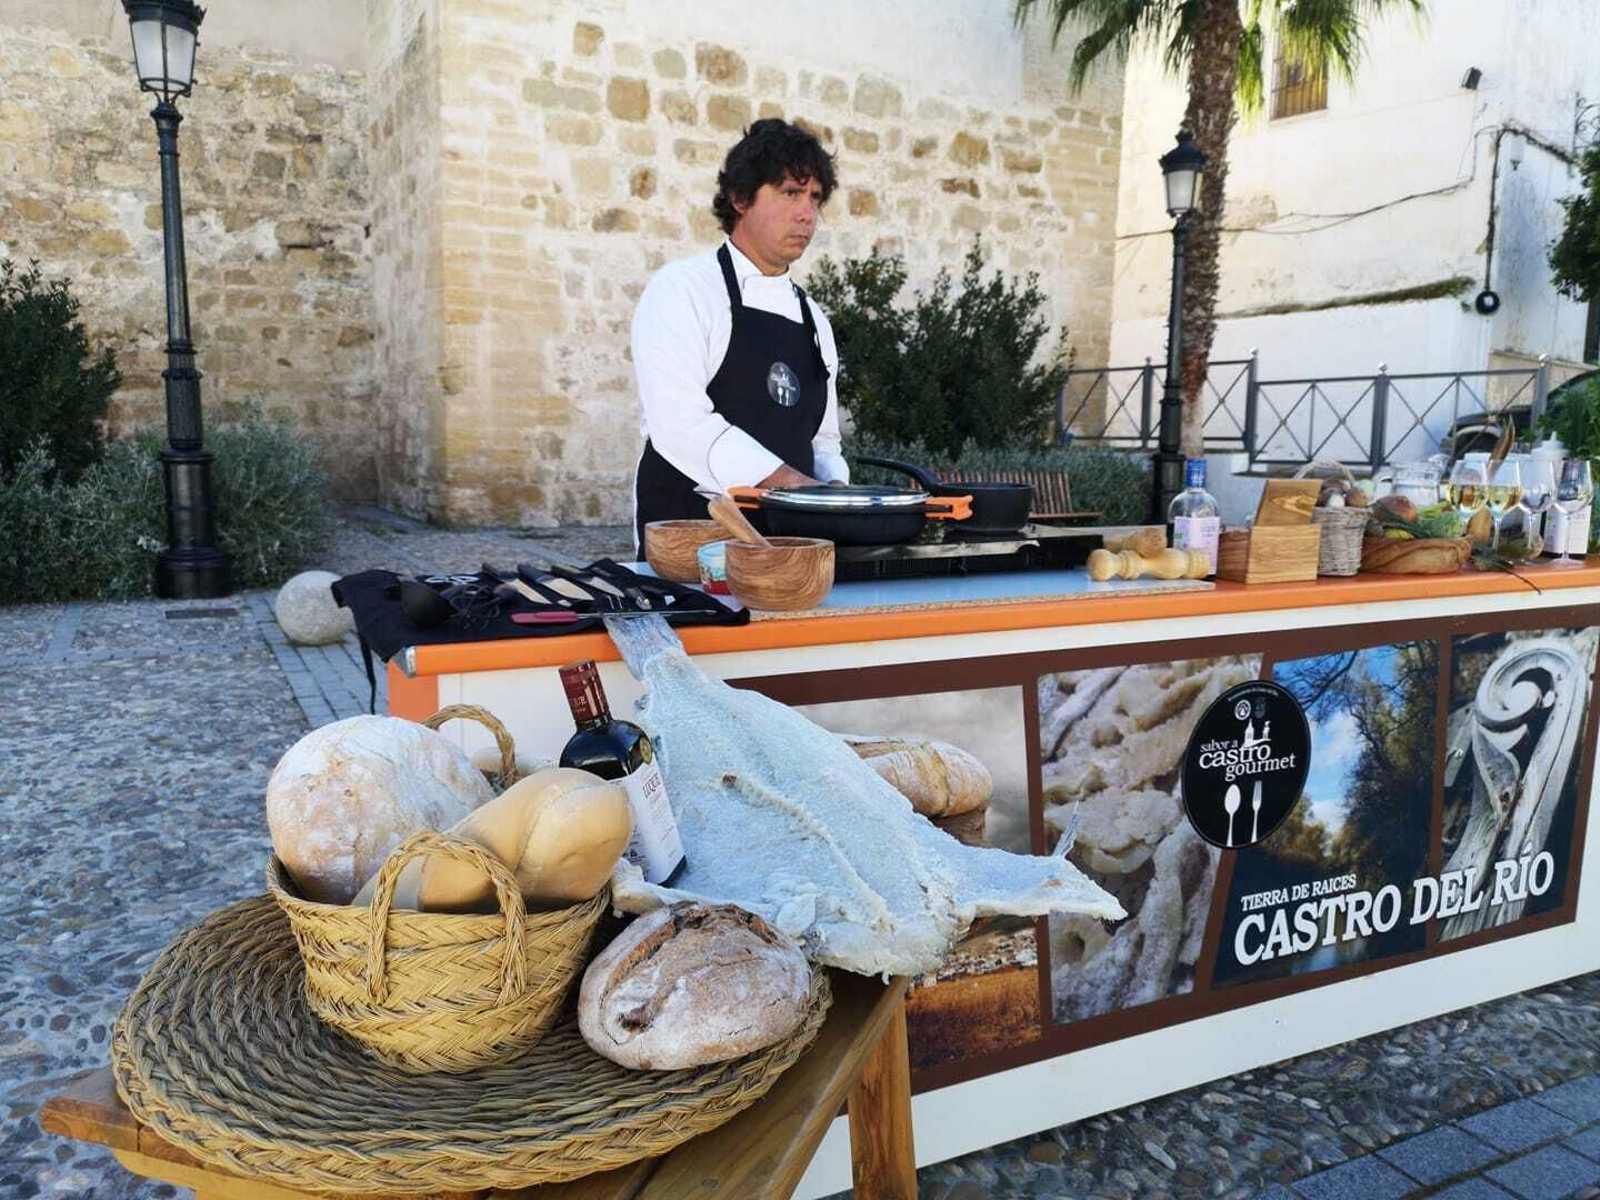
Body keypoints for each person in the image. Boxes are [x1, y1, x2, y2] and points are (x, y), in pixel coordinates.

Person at [630, 118, 850, 552]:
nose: (807, 214)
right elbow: (680, 424)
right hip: (691, 552)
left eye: (814, 198)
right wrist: (792, 487)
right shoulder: (683, 290)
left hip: (790, 557)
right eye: (790, 193)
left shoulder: (814, 319)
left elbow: (822, 441)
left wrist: (839, 500)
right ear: (740, 197)